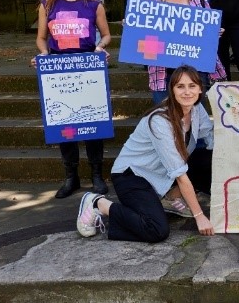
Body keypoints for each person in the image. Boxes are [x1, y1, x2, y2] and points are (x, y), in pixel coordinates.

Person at [75, 67, 215, 242]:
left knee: (212, 160)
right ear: (171, 89)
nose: (187, 92)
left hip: (162, 172)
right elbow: (179, 174)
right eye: (180, 86)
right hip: (133, 176)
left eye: (192, 86)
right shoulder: (160, 120)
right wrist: (199, 216)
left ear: (200, 89)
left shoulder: (196, 109)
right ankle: (99, 204)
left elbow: (211, 140)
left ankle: (170, 198)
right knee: (156, 230)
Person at [33, 0, 112, 199]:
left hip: (87, 68)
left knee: (92, 123)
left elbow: (107, 35)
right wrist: (43, 55)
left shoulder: (94, 5)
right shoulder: (47, 6)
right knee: (64, 125)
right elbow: (41, 38)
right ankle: (71, 177)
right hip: (59, 69)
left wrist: (100, 48)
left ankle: (96, 175)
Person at [144, 0, 221, 103]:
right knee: (165, 121)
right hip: (163, 74)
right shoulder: (149, 2)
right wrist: (134, 30)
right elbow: (144, 45)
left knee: (195, 120)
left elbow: (207, 36)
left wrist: (214, 32)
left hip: (196, 72)